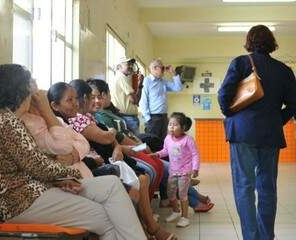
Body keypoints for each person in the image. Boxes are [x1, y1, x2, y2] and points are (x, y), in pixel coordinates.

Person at [0, 64, 147, 240]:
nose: (37, 90)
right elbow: (38, 166)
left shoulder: (1, 118)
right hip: (21, 202)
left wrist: (63, 177)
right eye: (32, 85)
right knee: (103, 216)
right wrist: (69, 175)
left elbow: (31, 162)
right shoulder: (7, 122)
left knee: (112, 184)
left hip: (34, 192)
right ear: (22, 91)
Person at [47, 81, 177, 240]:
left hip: (106, 159)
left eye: (99, 97)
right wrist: (115, 139)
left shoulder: (86, 117)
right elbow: (102, 138)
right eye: (70, 100)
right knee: (145, 176)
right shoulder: (71, 122)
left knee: (154, 165)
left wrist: (116, 144)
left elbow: (110, 139)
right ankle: (149, 227)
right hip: (92, 167)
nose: (76, 103)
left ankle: (147, 225)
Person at [87, 78, 214, 213]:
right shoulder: (100, 117)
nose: (98, 101)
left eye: (100, 96)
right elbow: (119, 139)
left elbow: (125, 135)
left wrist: (141, 145)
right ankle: (193, 199)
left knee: (163, 158)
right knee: (165, 168)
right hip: (126, 152)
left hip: (131, 148)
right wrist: (141, 147)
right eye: (93, 97)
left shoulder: (108, 113)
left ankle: (187, 194)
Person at [218, 25, 296, 240]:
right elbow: (293, 105)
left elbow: (223, 95)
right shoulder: (284, 70)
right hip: (270, 135)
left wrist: (232, 114)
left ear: (249, 41)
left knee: (244, 186)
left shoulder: (241, 63)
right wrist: (275, 121)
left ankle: (251, 237)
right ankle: (266, 236)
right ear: (272, 43)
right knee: (267, 188)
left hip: (242, 133)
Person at [151, 113, 200, 227]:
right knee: (171, 193)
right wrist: (157, 154)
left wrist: (195, 168)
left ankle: (184, 217)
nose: (171, 127)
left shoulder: (188, 140)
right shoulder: (168, 138)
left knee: (182, 195)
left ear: (183, 127)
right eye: (170, 124)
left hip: (185, 172)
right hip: (173, 171)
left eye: (175, 125)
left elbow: (195, 154)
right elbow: (165, 151)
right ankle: (176, 211)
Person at [139, 59, 183, 140]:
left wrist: (173, 73)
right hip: (153, 118)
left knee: (162, 143)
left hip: (164, 117)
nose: (164, 70)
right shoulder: (146, 81)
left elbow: (178, 88)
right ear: (154, 68)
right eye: (162, 68)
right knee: (152, 143)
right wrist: (148, 119)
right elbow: (143, 101)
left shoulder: (163, 82)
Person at [108, 57, 140, 134]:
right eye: (127, 64)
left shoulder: (119, 77)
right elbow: (134, 100)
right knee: (136, 144)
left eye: (131, 64)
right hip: (127, 117)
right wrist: (139, 85)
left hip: (126, 117)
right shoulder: (121, 77)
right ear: (119, 67)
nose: (130, 66)